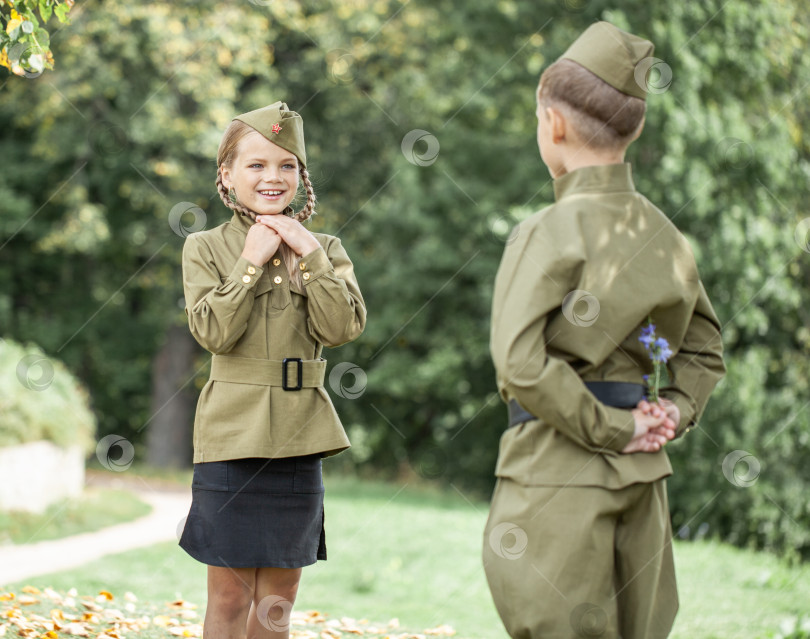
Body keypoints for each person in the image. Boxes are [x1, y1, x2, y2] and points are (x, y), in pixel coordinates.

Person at [483, 22, 726, 639]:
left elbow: (520, 364)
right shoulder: (665, 236)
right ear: (635, 127)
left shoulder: (545, 231)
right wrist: (670, 412)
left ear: (553, 124)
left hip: (555, 476)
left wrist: (616, 429)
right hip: (646, 482)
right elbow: (703, 349)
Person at [178, 101, 366, 639]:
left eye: (287, 165)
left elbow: (342, 327)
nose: (272, 177)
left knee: (277, 602)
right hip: (231, 435)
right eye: (256, 164)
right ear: (227, 175)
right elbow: (213, 333)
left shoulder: (325, 248)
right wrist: (249, 262)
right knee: (231, 598)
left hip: (298, 434)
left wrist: (308, 253)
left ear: (301, 177)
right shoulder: (205, 247)